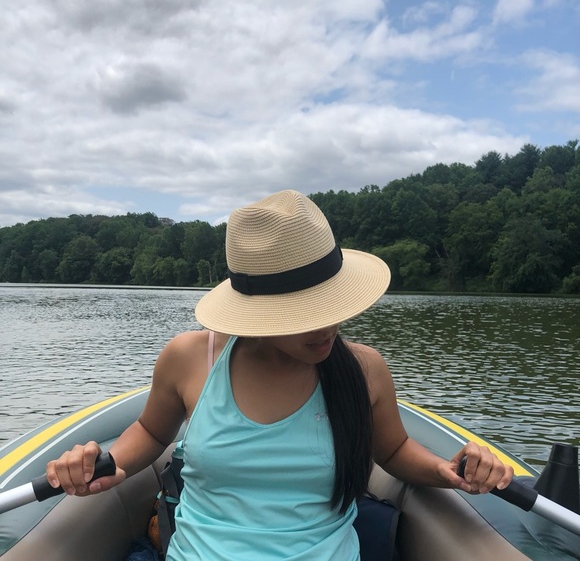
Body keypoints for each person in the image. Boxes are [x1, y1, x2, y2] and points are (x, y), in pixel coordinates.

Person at [47, 190, 513, 560]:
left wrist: (447, 470)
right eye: (304, 313)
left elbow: (391, 450)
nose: (328, 326)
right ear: (258, 312)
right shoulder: (189, 357)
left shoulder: (364, 369)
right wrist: (105, 461)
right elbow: (152, 431)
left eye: (332, 304)